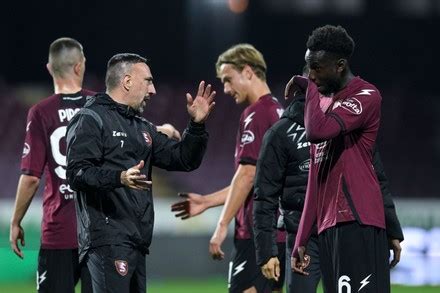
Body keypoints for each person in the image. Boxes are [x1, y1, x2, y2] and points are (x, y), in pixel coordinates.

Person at [8, 38, 182, 293]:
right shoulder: (100, 105)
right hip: (100, 230)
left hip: (59, 231)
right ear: (80, 67)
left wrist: (16, 221)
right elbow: (132, 133)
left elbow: (32, 177)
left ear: (49, 68)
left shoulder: (41, 112)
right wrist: (163, 130)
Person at [66, 53, 215, 293]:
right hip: (106, 240)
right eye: (148, 81)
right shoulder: (91, 119)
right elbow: (77, 174)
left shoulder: (141, 127)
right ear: (127, 81)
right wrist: (119, 178)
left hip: (136, 241)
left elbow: (183, 159)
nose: (153, 90)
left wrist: (196, 126)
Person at [254, 65, 404, 292]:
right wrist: (267, 251)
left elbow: (376, 178)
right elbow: (264, 196)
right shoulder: (279, 134)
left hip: (341, 231)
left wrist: (392, 229)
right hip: (303, 237)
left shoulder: (348, 122)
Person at [289, 25, 403, 293]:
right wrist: (301, 238)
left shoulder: (366, 95)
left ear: (339, 65)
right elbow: (315, 181)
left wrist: (308, 89)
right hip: (330, 226)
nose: (311, 75)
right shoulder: (324, 105)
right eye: (308, 68)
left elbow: (316, 131)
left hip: (357, 221)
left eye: (316, 68)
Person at [171, 44, 285, 293]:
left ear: (247, 71)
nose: (225, 89)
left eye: (228, 79)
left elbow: (247, 174)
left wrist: (222, 225)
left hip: (255, 234)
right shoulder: (278, 111)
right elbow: (254, 179)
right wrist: (206, 201)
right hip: (277, 232)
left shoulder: (256, 114)